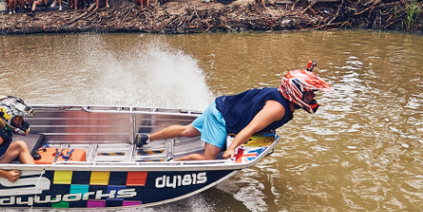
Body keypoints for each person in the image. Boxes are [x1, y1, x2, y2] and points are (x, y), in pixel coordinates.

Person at [134, 66, 333, 161]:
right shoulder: (278, 108)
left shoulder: (279, 95)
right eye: (309, 93)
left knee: (187, 131)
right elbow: (250, 128)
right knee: (208, 159)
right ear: (296, 91)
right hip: (221, 117)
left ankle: (145, 138)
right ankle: (168, 164)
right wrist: (232, 148)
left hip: (220, 106)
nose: (312, 98)